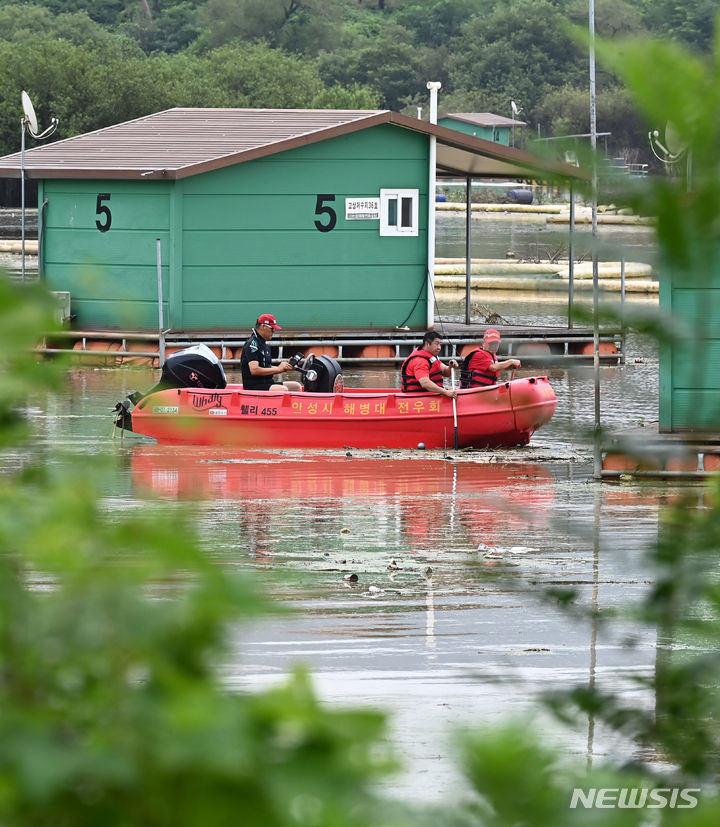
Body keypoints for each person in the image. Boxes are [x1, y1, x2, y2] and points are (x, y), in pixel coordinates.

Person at [240, 313, 302, 392]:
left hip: (267, 383)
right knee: (282, 390)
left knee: (296, 386)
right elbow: (254, 370)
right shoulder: (252, 344)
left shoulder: (265, 345)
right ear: (263, 327)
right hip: (254, 386)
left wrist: (284, 368)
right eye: (272, 329)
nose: (274, 332)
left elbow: (267, 366)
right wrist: (278, 369)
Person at [400, 330, 458, 398]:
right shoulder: (420, 361)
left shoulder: (432, 357)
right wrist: (445, 392)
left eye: (440, 344)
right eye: (436, 344)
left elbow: (446, 372)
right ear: (427, 343)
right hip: (417, 397)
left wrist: (450, 367)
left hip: (429, 394)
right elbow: (425, 383)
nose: (439, 347)